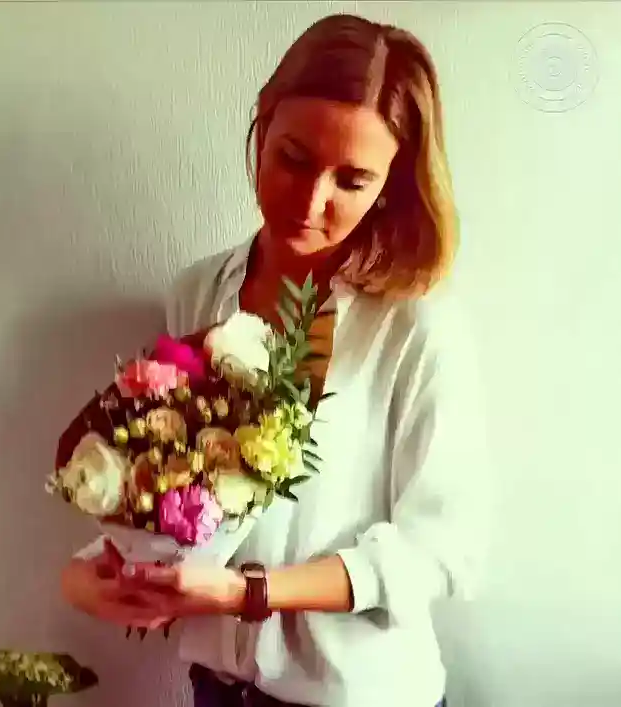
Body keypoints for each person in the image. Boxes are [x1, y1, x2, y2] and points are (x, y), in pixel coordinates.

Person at [60, 13, 490, 707]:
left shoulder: (416, 323)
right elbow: (180, 500)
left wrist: (249, 593)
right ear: (262, 123)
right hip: (218, 690)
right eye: (293, 158)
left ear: (389, 183)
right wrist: (90, 574)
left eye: (352, 179)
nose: (312, 200)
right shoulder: (198, 291)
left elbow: (445, 548)